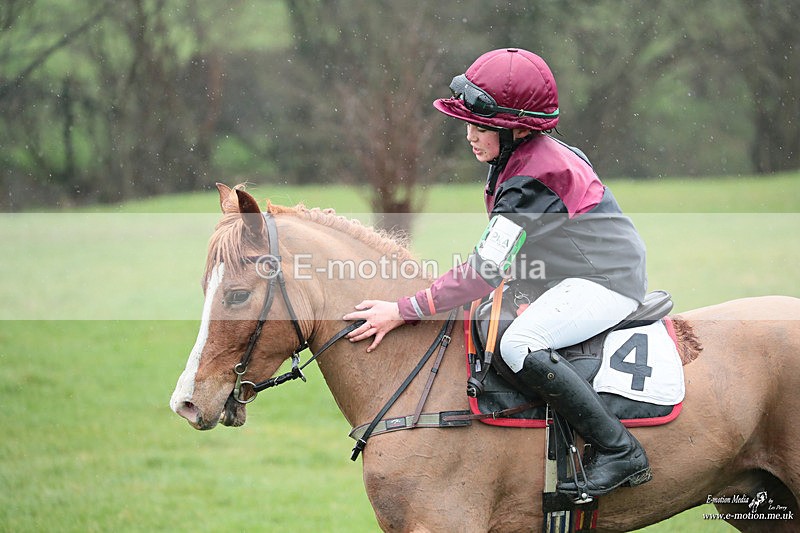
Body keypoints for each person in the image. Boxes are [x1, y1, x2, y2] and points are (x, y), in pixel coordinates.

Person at [343, 48, 650, 497]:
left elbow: (484, 271)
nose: (469, 135)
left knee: (519, 342)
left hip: (605, 282)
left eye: (481, 125)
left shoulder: (531, 176)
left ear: (519, 127)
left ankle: (620, 450)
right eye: (468, 123)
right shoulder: (525, 157)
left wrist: (404, 309)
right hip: (573, 273)